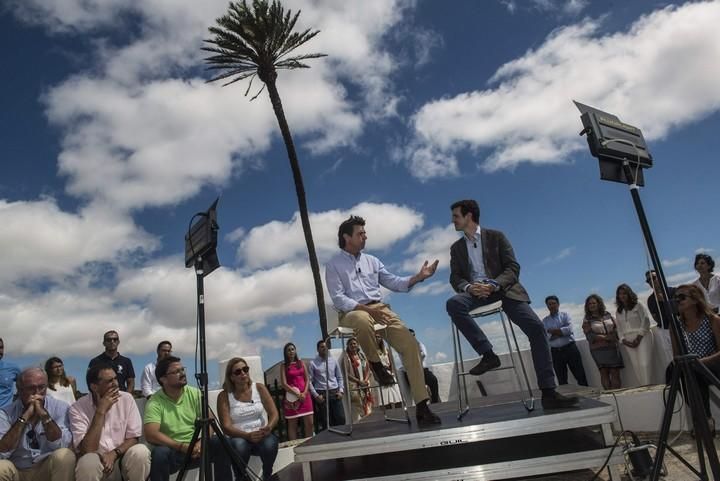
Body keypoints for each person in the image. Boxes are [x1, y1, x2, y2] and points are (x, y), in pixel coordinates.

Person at [445, 200, 578, 409]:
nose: (452, 220)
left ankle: (549, 393)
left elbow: (512, 268)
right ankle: (488, 355)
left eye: (455, 216)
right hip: (476, 292)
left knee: (536, 328)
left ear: (469, 216)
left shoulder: (497, 237)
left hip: (504, 290)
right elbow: (455, 278)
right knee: (453, 304)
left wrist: (494, 284)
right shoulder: (456, 248)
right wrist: (470, 288)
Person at [325, 215, 441, 426]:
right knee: (362, 319)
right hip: (352, 312)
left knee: (410, 344)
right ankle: (377, 366)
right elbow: (338, 298)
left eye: (365, 233)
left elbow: (394, 282)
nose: (365, 237)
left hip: (380, 308)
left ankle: (423, 407)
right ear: (346, 237)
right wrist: (364, 308)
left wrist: (418, 277)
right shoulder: (333, 265)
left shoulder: (372, 261)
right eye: (360, 233)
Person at [143, 356, 231, 481]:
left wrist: (202, 443)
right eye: (176, 372)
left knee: (221, 442)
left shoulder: (194, 393)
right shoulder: (155, 402)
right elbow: (151, 434)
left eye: (182, 370)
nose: (182, 374)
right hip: (173, 450)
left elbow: (210, 421)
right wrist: (180, 446)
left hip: (196, 447)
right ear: (163, 379)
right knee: (160, 454)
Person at [69, 364, 151, 481]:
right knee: (87, 462)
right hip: (96, 460)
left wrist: (114, 454)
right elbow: (87, 449)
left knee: (141, 452)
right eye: (110, 381)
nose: (116, 384)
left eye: (115, 379)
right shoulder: (77, 408)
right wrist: (100, 411)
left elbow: (133, 438)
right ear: (94, 387)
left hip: (121, 457)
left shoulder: (126, 399)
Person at [0, 367, 75, 481]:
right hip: (18, 469)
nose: (37, 393)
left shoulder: (60, 407)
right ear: (19, 389)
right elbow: (2, 451)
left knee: (65, 455)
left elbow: (62, 444)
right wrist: (24, 417)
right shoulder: (5, 413)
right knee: (1, 467)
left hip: (45, 468)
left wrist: (44, 415)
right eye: (31, 388)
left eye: (41, 387)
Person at [667, 284, 720, 435]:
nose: (678, 301)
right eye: (675, 298)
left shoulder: (712, 320)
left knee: (694, 371)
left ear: (695, 300)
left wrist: (700, 362)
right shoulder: (675, 325)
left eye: (682, 297)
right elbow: (676, 355)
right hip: (691, 366)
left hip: (712, 363)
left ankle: (704, 419)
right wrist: (689, 363)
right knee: (673, 371)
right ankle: (705, 417)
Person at [218, 357, 278, 481]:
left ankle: (267, 475)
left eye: (245, 369)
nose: (243, 373)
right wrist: (247, 436)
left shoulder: (259, 388)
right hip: (239, 436)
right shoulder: (224, 396)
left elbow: (274, 414)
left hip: (261, 434)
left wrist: (269, 427)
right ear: (231, 377)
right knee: (240, 445)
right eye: (238, 372)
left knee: (271, 443)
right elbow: (226, 427)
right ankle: (241, 478)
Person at [542, 296, 588, 386]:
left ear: (558, 304)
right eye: (549, 304)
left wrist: (553, 331)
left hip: (570, 349)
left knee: (580, 374)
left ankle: (589, 397)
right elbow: (546, 337)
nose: (552, 306)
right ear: (547, 306)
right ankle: (566, 399)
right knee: (561, 379)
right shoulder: (545, 321)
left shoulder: (565, 315)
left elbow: (569, 330)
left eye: (554, 303)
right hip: (556, 352)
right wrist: (561, 331)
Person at [615, 283, 654, 386]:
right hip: (627, 340)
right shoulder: (618, 311)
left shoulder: (638, 304)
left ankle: (648, 386)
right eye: (620, 294)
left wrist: (638, 338)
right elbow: (619, 328)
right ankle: (643, 387)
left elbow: (645, 321)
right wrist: (623, 340)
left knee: (644, 363)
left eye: (624, 293)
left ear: (629, 294)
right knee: (636, 365)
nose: (622, 296)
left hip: (642, 337)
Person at [582, 294, 623, 390]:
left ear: (599, 303)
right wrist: (606, 338)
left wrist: (613, 335)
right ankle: (609, 395)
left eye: (594, 303)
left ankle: (617, 394)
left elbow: (616, 328)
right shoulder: (587, 319)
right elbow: (589, 336)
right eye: (589, 304)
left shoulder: (607, 314)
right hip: (598, 350)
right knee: (604, 372)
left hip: (612, 347)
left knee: (615, 371)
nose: (592, 305)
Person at [308, 340, 345, 431]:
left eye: (325, 347)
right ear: (317, 349)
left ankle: (342, 440)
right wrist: (316, 396)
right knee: (327, 422)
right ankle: (330, 443)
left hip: (335, 392)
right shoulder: (313, 363)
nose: (324, 348)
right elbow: (309, 381)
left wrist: (341, 391)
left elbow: (339, 377)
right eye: (321, 347)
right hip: (322, 394)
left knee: (341, 418)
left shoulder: (333, 361)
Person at [280, 343, 313, 440]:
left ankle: (309, 445)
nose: (291, 352)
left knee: (310, 424)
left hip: (305, 397)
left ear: (295, 351)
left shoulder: (301, 363)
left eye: (292, 349)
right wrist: (297, 394)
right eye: (288, 350)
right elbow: (284, 384)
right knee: (292, 425)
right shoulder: (284, 366)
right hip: (292, 399)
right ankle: (293, 447)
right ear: (285, 353)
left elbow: (307, 379)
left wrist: (304, 393)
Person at [400, 329, 440, 404]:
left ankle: (435, 401)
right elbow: (405, 359)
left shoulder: (420, 344)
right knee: (417, 388)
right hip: (411, 371)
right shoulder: (403, 347)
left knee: (433, 380)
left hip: (423, 370)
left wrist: (413, 356)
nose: (413, 337)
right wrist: (417, 355)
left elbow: (424, 354)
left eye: (414, 335)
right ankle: (422, 405)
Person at [343, 338, 373, 422]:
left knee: (367, 404)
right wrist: (359, 381)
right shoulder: (347, 357)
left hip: (365, 384)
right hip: (354, 386)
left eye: (354, 343)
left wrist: (366, 380)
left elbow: (368, 369)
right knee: (359, 407)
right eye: (351, 344)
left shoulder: (362, 356)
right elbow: (347, 373)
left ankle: (368, 423)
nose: (353, 345)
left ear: (358, 345)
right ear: (348, 346)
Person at [646, 270, 675, 352]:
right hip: (664, 331)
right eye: (648, 280)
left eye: (653, 278)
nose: (651, 281)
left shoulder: (673, 291)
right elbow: (655, 317)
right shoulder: (650, 300)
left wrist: (664, 300)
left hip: (679, 328)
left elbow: (680, 310)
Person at [374, 333, 402, 409]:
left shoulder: (386, 350)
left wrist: (392, 372)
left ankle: (400, 414)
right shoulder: (372, 351)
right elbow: (371, 365)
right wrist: (376, 376)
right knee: (385, 400)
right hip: (380, 374)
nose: (377, 338)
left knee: (397, 397)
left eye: (379, 337)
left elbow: (391, 362)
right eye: (375, 337)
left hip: (389, 373)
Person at [0, 338, 20, 408]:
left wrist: (15, 401)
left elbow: (24, 386)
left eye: (1, 348)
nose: (0, 351)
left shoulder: (13, 368)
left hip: (6, 414)